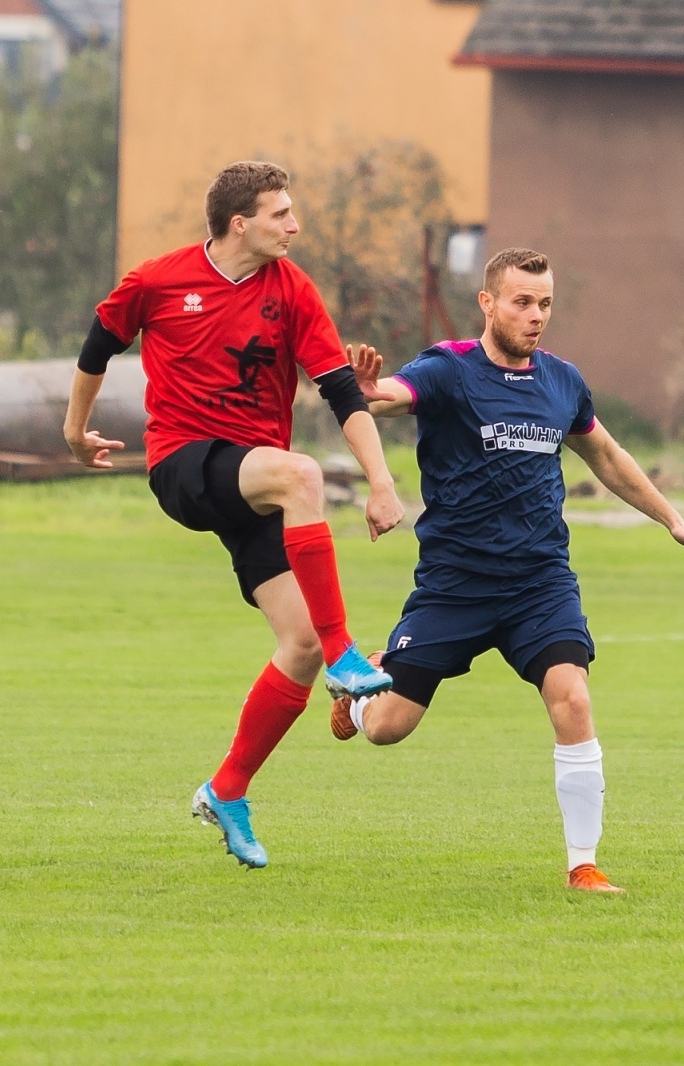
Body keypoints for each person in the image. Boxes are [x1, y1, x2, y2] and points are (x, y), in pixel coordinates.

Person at [331, 247, 684, 893]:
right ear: (487, 303)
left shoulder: (563, 381)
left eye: (545, 304)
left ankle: (583, 865)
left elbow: (606, 454)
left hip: (539, 583)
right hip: (455, 586)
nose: (536, 315)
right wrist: (367, 394)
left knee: (573, 697)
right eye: (522, 302)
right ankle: (363, 687)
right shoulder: (448, 369)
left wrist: (672, 520)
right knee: (387, 730)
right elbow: (392, 395)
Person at [64, 160, 403, 871]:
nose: (295, 225)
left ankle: (228, 790)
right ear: (239, 223)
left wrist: (381, 482)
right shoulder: (159, 280)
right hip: (183, 463)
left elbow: (343, 393)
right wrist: (75, 430)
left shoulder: (293, 289)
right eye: (282, 214)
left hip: (253, 483)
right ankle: (347, 655)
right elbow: (98, 344)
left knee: (299, 642)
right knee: (300, 473)